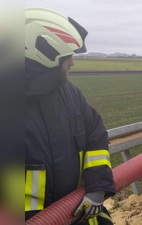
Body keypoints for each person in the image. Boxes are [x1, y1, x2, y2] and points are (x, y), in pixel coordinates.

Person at [25, 7, 116, 225]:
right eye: (68, 56)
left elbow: (95, 135)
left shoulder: (69, 93)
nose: (72, 63)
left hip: (78, 213)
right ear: (43, 54)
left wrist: (98, 186)